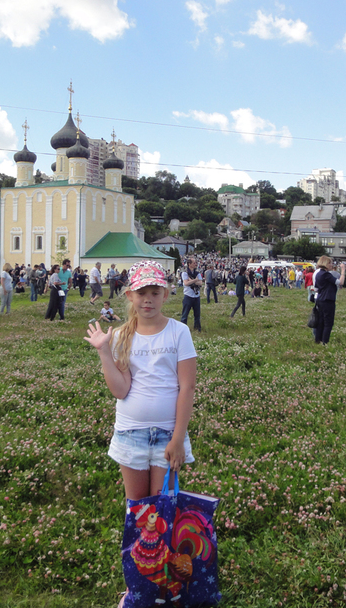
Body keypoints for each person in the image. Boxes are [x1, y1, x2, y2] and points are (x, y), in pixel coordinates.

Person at [84, 260, 196, 608]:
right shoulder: (120, 335)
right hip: (130, 434)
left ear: (165, 294)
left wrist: (178, 438)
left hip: (166, 437)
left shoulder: (178, 332)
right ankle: (137, 590)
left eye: (154, 292)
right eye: (141, 293)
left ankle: (166, 589)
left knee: (163, 515)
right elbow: (120, 390)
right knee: (138, 515)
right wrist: (104, 351)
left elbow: (187, 387)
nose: (148, 299)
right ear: (130, 295)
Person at [312, 256, 346, 345]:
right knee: (328, 322)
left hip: (320, 299)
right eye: (330, 263)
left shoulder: (318, 274)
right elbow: (340, 282)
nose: (332, 265)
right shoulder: (326, 274)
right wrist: (343, 271)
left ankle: (318, 340)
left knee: (320, 321)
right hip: (328, 299)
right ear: (325, 264)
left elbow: (316, 287)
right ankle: (325, 341)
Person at [180, 257, 203, 332]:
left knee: (197, 314)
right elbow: (186, 283)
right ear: (189, 264)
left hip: (196, 296)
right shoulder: (185, 273)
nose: (196, 264)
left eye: (196, 262)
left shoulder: (197, 273)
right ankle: (183, 330)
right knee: (185, 314)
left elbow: (201, 283)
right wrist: (195, 280)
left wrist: (192, 281)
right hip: (188, 296)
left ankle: (197, 328)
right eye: (194, 263)